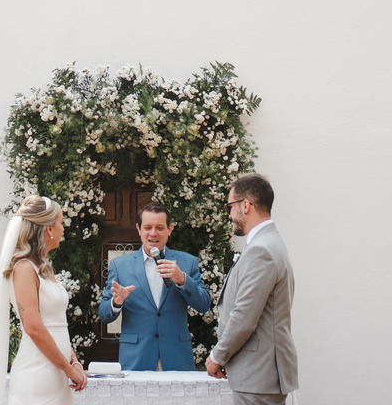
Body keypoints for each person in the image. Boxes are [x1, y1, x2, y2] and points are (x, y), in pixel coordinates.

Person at [0, 195, 86, 405]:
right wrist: (68, 369)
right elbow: (34, 327)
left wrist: (74, 362)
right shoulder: (24, 268)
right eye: (60, 223)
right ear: (48, 229)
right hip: (38, 375)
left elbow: (56, 324)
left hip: (58, 372)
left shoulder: (43, 269)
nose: (63, 229)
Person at [205, 174, 298, 405]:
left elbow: (244, 316)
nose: (229, 214)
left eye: (230, 206)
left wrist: (218, 356)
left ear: (245, 205)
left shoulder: (262, 250)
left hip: (258, 374)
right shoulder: (268, 243)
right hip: (260, 374)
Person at [97, 202, 211, 370]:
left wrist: (182, 280)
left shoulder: (187, 262)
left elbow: (204, 305)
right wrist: (116, 303)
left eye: (159, 227)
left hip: (176, 357)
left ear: (169, 229)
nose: (153, 233)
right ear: (139, 229)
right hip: (136, 358)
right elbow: (104, 315)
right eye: (148, 227)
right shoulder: (119, 266)